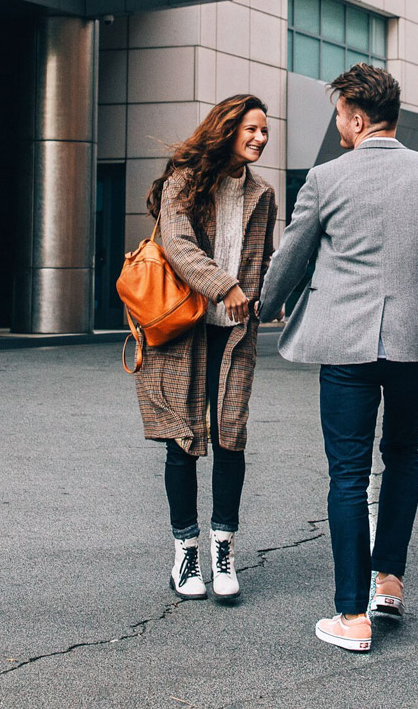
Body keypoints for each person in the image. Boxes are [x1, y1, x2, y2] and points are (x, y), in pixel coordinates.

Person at [258, 64, 418, 653]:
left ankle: (351, 616)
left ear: (358, 118)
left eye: (339, 115)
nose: (337, 126)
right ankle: (388, 583)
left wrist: (262, 306)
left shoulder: (326, 178)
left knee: (348, 474)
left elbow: (292, 255)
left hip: (346, 346)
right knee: (403, 456)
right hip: (415, 346)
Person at [136, 94, 277, 604]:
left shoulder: (263, 193)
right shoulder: (186, 179)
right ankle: (185, 553)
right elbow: (177, 244)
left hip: (236, 331)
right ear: (228, 128)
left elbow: (262, 258)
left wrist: (268, 295)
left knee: (230, 434)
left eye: (265, 130)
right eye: (252, 128)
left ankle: (223, 549)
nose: (260, 137)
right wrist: (225, 286)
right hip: (184, 328)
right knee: (184, 436)